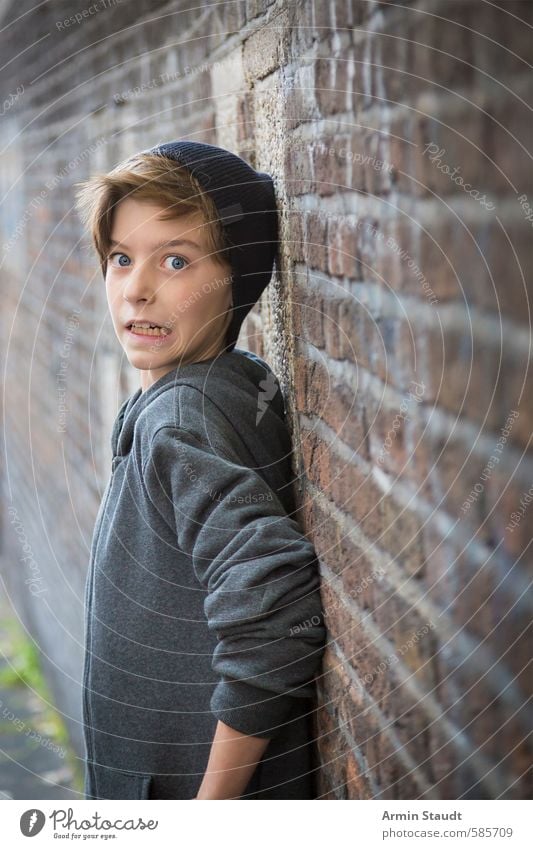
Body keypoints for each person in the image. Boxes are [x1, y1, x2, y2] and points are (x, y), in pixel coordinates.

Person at [74, 140, 327, 800]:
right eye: (121, 258)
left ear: (234, 277)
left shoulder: (180, 418)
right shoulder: (215, 389)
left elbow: (275, 609)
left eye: (176, 260)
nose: (136, 288)